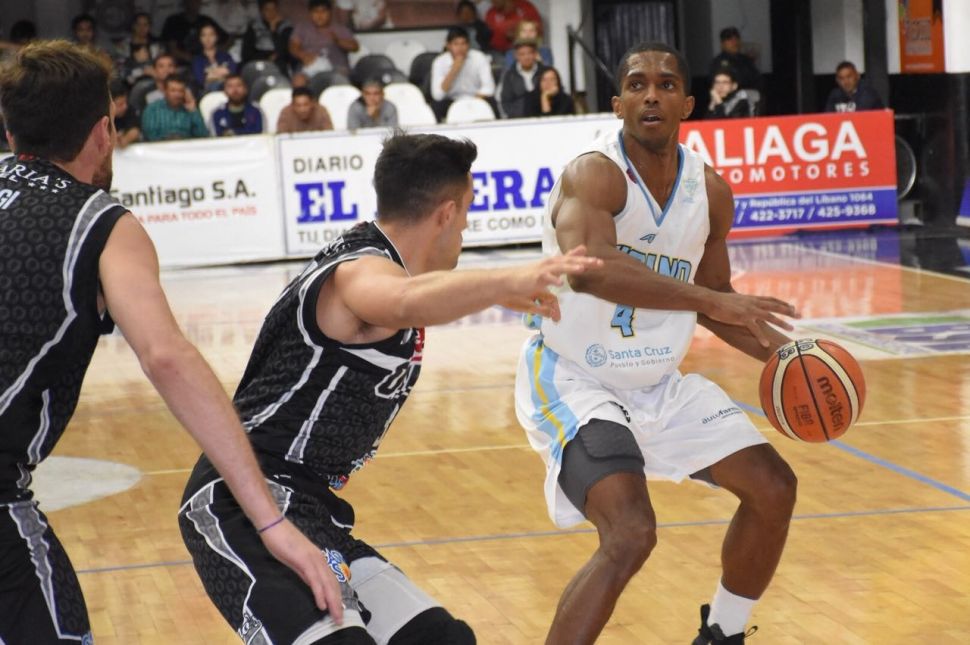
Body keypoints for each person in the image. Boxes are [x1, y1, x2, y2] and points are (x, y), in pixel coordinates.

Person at [178, 130, 600, 644]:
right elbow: (399, 301)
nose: (466, 227)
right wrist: (502, 282)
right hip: (241, 501)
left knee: (445, 642)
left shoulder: (375, 252)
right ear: (446, 213)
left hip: (309, 508)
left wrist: (489, 294)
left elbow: (413, 294)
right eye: (466, 213)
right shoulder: (360, 271)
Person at [0, 39, 344, 644]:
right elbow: (167, 358)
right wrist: (269, 522)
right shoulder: (101, 224)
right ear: (104, 131)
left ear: (10, 132)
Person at [513, 41, 800, 644]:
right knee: (630, 533)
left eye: (666, 85)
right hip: (575, 377)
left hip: (657, 384)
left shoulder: (710, 192)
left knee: (774, 488)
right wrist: (708, 300)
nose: (651, 95)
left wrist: (790, 359)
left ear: (687, 104)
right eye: (637, 85)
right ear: (617, 104)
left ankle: (722, 634)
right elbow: (589, 270)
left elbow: (717, 297)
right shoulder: (594, 173)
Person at [429, 26, 496, 122]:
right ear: (448, 45)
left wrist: (474, 101)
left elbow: (489, 88)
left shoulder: (479, 57)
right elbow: (437, 95)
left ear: (468, 45)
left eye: (463, 44)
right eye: (456, 44)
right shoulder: (439, 62)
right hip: (452, 101)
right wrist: (453, 70)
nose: (460, 48)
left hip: (477, 98)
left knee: (492, 102)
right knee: (436, 106)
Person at [289, 0, 359, 79]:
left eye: (323, 11)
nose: (319, 15)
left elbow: (355, 47)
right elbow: (293, 47)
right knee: (298, 80)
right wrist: (303, 55)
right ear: (310, 13)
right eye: (315, 12)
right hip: (310, 67)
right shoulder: (302, 28)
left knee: (339, 79)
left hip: (336, 68)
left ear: (330, 13)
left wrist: (338, 41)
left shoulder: (340, 29)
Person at [141, 74, 209, 140]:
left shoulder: (190, 110)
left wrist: (193, 111)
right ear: (165, 91)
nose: (177, 95)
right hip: (160, 146)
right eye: (173, 90)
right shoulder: (152, 110)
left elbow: (203, 135)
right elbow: (150, 136)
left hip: (186, 146)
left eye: (180, 91)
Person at [161, 0, 227, 66]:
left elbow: (227, 39)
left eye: (197, 1)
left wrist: (214, 54)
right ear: (185, 3)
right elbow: (172, 49)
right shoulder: (174, 21)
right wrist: (192, 58)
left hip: (206, 64)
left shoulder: (206, 21)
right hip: (180, 65)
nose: (195, 4)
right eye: (192, 1)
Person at [498, 38, 544, 119]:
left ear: (535, 54)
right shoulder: (509, 76)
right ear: (516, 56)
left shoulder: (545, 72)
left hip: (543, 118)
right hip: (517, 120)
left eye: (529, 53)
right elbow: (505, 101)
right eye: (522, 54)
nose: (526, 57)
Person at [112, 12, 162, 86]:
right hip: (130, 86)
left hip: (153, 85)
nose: (142, 28)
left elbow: (162, 69)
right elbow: (118, 71)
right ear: (133, 26)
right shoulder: (122, 46)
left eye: (145, 25)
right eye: (138, 24)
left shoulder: (157, 46)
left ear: (149, 27)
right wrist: (137, 64)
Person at [708, 26, 762, 94]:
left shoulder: (746, 60)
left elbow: (757, 80)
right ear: (722, 44)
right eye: (729, 39)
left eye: (736, 38)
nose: (734, 42)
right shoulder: (718, 62)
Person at [241, 0, 294, 67]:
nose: (271, 12)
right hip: (258, 61)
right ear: (261, 11)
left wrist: (273, 30)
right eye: (267, 9)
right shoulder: (254, 27)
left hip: (279, 62)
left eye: (274, 9)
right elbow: (246, 53)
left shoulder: (286, 27)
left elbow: (285, 50)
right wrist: (266, 59)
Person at [191, 22, 237, 92]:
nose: (207, 38)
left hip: (228, 90)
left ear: (217, 37)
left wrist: (211, 74)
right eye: (204, 35)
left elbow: (232, 73)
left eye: (211, 35)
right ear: (200, 38)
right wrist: (221, 72)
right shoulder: (197, 59)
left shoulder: (225, 56)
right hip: (207, 92)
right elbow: (201, 80)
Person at [111, 78, 142, 147]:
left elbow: (135, 130)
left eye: (125, 102)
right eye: (120, 104)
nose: (125, 106)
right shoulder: (102, 116)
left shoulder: (129, 110)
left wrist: (125, 139)